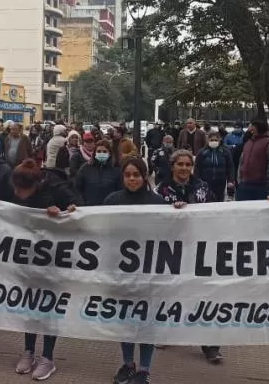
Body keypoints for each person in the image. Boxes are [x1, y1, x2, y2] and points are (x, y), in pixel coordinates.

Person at [8, 159, 78, 381]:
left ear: (34, 186)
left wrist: (67, 212)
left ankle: (48, 357)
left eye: (21, 190)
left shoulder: (58, 190)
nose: (17, 193)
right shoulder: (16, 193)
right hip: (28, 259)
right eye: (15, 189)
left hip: (53, 261)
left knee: (48, 308)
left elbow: (79, 210)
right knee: (30, 307)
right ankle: (28, 351)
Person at [154, 150, 221, 364]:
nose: (184, 168)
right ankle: (165, 332)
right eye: (180, 164)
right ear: (172, 166)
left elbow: (217, 212)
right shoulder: (161, 190)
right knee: (169, 291)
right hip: (171, 249)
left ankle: (209, 344)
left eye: (187, 164)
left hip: (199, 246)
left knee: (203, 293)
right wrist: (171, 212)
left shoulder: (203, 188)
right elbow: (152, 218)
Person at [104, 158, 164, 384]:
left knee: (147, 321)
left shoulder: (158, 203)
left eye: (136, 175)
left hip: (149, 274)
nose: (132, 179)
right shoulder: (112, 201)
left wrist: (179, 211)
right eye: (127, 175)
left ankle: (144, 370)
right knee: (126, 320)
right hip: (121, 272)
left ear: (144, 176)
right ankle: (128, 364)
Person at [235, 119, 269, 201]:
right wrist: (239, 180)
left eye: (253, 126)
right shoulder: (248, 143)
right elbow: (241, 162)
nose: (251, 128)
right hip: (244, 185)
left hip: (261, 186)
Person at [74, 139, 122, 205]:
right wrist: (81, 203)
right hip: (89, 207)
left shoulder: (116, 170)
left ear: (110, 154)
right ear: (94, 153)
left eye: (104, 151)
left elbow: (120, 191)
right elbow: (77, 188)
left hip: (109, 207)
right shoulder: (85, 168)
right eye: (99, 151)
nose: (101, 153)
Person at [195, 131, 235, 201]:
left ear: (219, 140)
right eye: (212, 140)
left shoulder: (225, 152)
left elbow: (230, 167)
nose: (214, 141)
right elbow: (197, 168)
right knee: (206, 200)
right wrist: (197, 181)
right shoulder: (202, 152)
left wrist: (230, 180)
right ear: (208, 140)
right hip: (205, 183)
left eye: (216, 140)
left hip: (220, 183)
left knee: (219, 201)